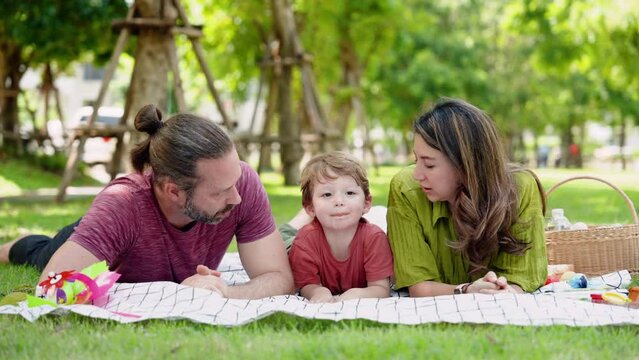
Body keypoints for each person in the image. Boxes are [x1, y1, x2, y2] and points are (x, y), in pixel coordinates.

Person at [0, 104, 294, 299]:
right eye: (220, 192)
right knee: (34, 252)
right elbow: (54, 286)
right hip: (94, 244)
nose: (237, 197)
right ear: (173, 191)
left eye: (235, 180)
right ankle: (12, 246)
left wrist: (223, 292)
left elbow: (279, 277)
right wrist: (177, 291)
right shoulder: (122, 205)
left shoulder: (241, 182)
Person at [387, 98, 547, 297]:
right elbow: (419, 286)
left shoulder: (520, 188)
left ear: (466, 164)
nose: (417, 174)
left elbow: (521, 277)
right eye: (416, 159)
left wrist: (503, 291)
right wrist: (468, 290)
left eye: (429, 164)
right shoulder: (406, 189)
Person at [288, 152, 394, 303]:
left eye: (350, 193)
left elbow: (380, 288)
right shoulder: (304, 242)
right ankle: (302, 217)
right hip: (291, 241)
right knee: (280, 242)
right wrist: (317, 292)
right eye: (327, 194)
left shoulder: (375, 238)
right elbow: (307, 285)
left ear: (366, 203)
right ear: (310, 208)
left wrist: (354, 295)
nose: (339, 201)